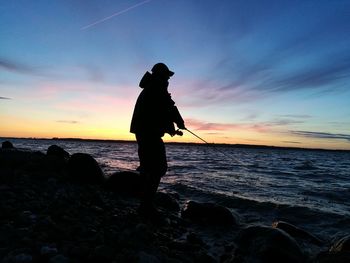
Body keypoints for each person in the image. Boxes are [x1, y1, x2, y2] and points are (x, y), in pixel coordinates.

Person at [130, 63, 185, 216]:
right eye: (167, 75)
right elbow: (168, 108)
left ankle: (144, 205)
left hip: (144, 132)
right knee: (158, 168)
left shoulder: (151, 87)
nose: (168, 78)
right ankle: (146, 206)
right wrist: (179, 123)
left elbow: (158, 113)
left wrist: (173, 130)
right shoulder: (157, 87)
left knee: (147, 167)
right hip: (149, 133)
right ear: (160, 75)